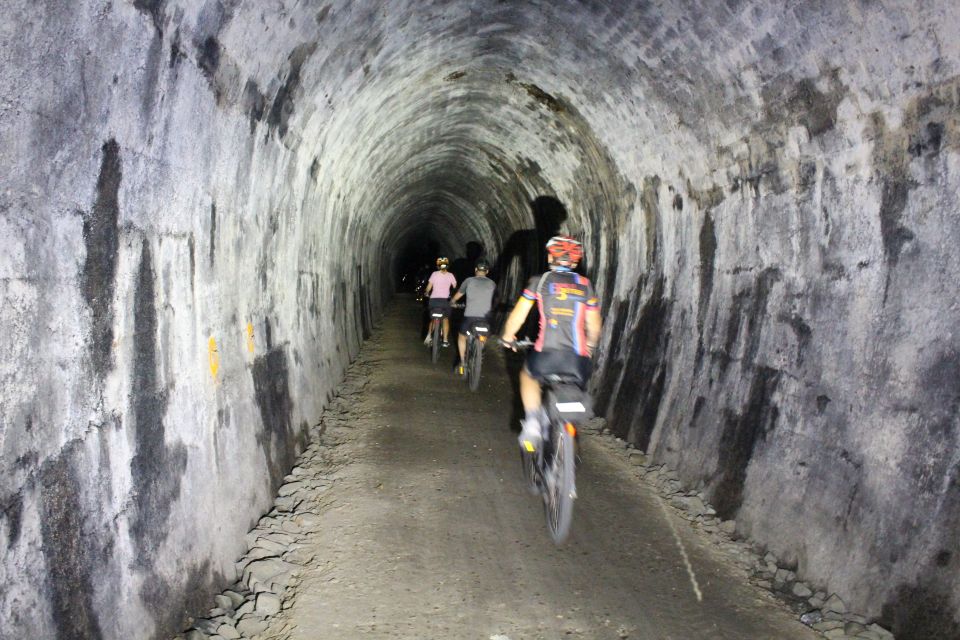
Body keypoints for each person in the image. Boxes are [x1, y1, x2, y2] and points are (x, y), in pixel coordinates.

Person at [500, 236, 602, 450]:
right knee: (574, 388)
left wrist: (508, 337)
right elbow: (594, 326)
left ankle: (533, 422)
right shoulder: (586, 285)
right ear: (575, 262)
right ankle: (567, 437)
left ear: (550, 257)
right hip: (577, 359)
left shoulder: (541, 282)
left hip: (546, 354)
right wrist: (590, 347)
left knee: (528, 375)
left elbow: (518, 316)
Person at [450, 259, 496, 375]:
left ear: (476, 270)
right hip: (486, 318)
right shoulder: (492, 283)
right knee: (484, 334)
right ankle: (481, 348)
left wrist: (452, 301)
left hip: (470, 316)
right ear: (487, 271)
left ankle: (463, 362)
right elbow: (496, 299)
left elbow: (459, 294)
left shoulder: (468, 281)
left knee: (461, 336)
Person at [424, 256, 457, 347]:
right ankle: (445, 340)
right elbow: (455, 287)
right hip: (445, 301)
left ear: (438, 266)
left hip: (433, 301)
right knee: (445, 318)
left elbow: (429, 287)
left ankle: (429, 336)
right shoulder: (451, 275)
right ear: (447, 266)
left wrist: (426, 293)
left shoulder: (434, 274)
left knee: (433, 319)